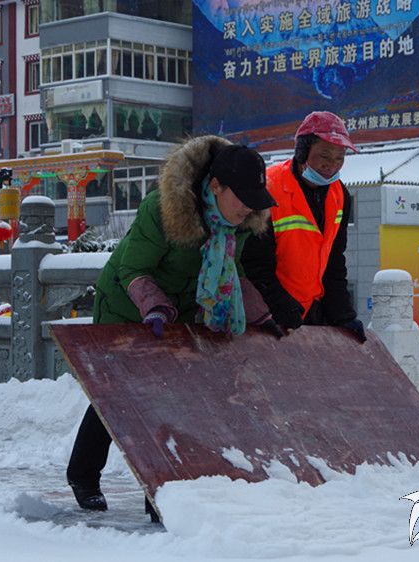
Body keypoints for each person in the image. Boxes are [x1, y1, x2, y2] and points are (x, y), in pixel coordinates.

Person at [66, 137, 282, 515]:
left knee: (168, 397)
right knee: (116, 394)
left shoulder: (239, 223)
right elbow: (134, 268)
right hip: (127, 303)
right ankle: (83, 475)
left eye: (254, 198)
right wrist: (154, 307)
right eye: (242, 196)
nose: (248, 206)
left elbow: (232, 272)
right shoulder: (165, 208)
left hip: (178, 310)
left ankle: (161, 493)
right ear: (216, 186)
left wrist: (261, 316)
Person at [242, 111, 365, 341]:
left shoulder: (340, 195)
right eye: (324, 155)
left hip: (312, 312)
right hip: (269, 315)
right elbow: (254, 264)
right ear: (302, 152)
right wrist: (280, 307)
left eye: (340, 157)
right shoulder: (269, 189)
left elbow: (334, 262)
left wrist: (342, 314)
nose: (332, 165)